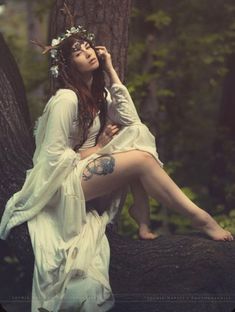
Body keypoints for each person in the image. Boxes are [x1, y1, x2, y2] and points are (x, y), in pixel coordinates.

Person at [0, 21, 234, 312]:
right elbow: (51, 158)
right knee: (140, 158)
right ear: (67, 66)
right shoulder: (66, 99)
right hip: (61, 185)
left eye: (88, 46)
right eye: (77, 52)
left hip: (86, 178)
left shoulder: (99, 97)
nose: (87, 52)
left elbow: (135, 123)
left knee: (134, 135)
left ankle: (142, 212)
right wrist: (98, 149)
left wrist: (110, 70)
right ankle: (198, 218)